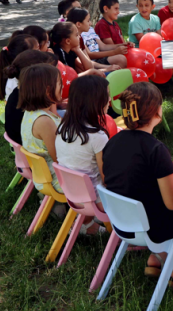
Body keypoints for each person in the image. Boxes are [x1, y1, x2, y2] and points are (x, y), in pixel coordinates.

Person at [103, 82, 173, 284]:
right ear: (157, 112)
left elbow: (130, 182)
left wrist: (164, 190)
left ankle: (157, 258)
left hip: (122, 224)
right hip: (154, 227)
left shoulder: (113, 141)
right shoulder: (155, 149)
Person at [55, 75, 111, 235]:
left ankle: (86, 223)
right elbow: (107, 177)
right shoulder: (97, 136)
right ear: (96, 101)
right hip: (96, 201)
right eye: (107, 96)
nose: (110, 100)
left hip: (73, 196)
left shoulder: (62, 129)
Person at [19, 64, 64, 193]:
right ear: (48, 91)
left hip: (44, 176)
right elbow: (59, 158)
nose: (62, 87)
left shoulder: (32, 113)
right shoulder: (44, 122)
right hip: (56, 179)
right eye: (59, 84)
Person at [5, 50, 58, 145]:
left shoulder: (19, 93)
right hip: (35, 148)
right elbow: (53, 119)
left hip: (26, 146)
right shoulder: (34, 101)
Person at [0, 33, 38, 101]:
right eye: (37, 50)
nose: (41, 53)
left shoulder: (29, 73)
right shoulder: (15, 82)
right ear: (24, 56)